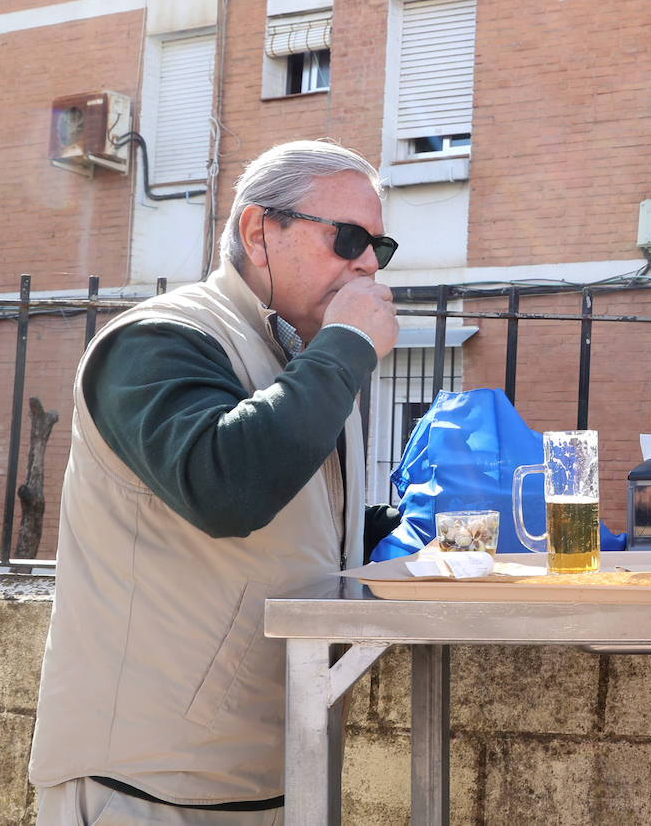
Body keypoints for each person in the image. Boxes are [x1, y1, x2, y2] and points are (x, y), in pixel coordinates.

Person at [29, 140, 402, 824]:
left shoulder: (302, 362)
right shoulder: (156, 339)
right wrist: (345, 350)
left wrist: (420, 531)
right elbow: (226, 486)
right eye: (349, 238)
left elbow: (303, 525)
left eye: (380, 246)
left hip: (275, 782)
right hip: (145, 790)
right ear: (259, 232)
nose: (369, 264)